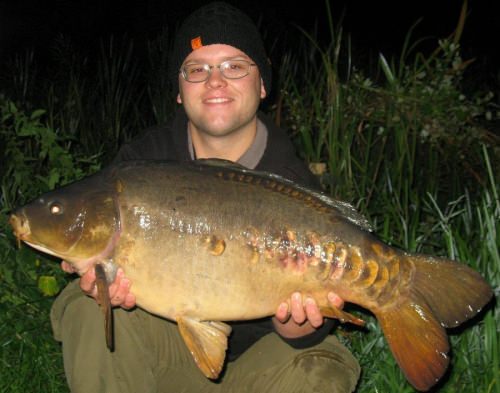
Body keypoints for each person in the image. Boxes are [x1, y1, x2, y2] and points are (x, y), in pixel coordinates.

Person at [50, 2, 361, 392]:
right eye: (196, 69)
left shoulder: (292, 184)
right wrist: (104, 288)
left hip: (259, 370)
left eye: (234, 66)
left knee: (325, 367)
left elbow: (310, 329)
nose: (215, 80)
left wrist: (297, 324)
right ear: (179, 91)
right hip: (164, 356)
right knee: (85, 308)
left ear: (263, 84)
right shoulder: (139, 165)